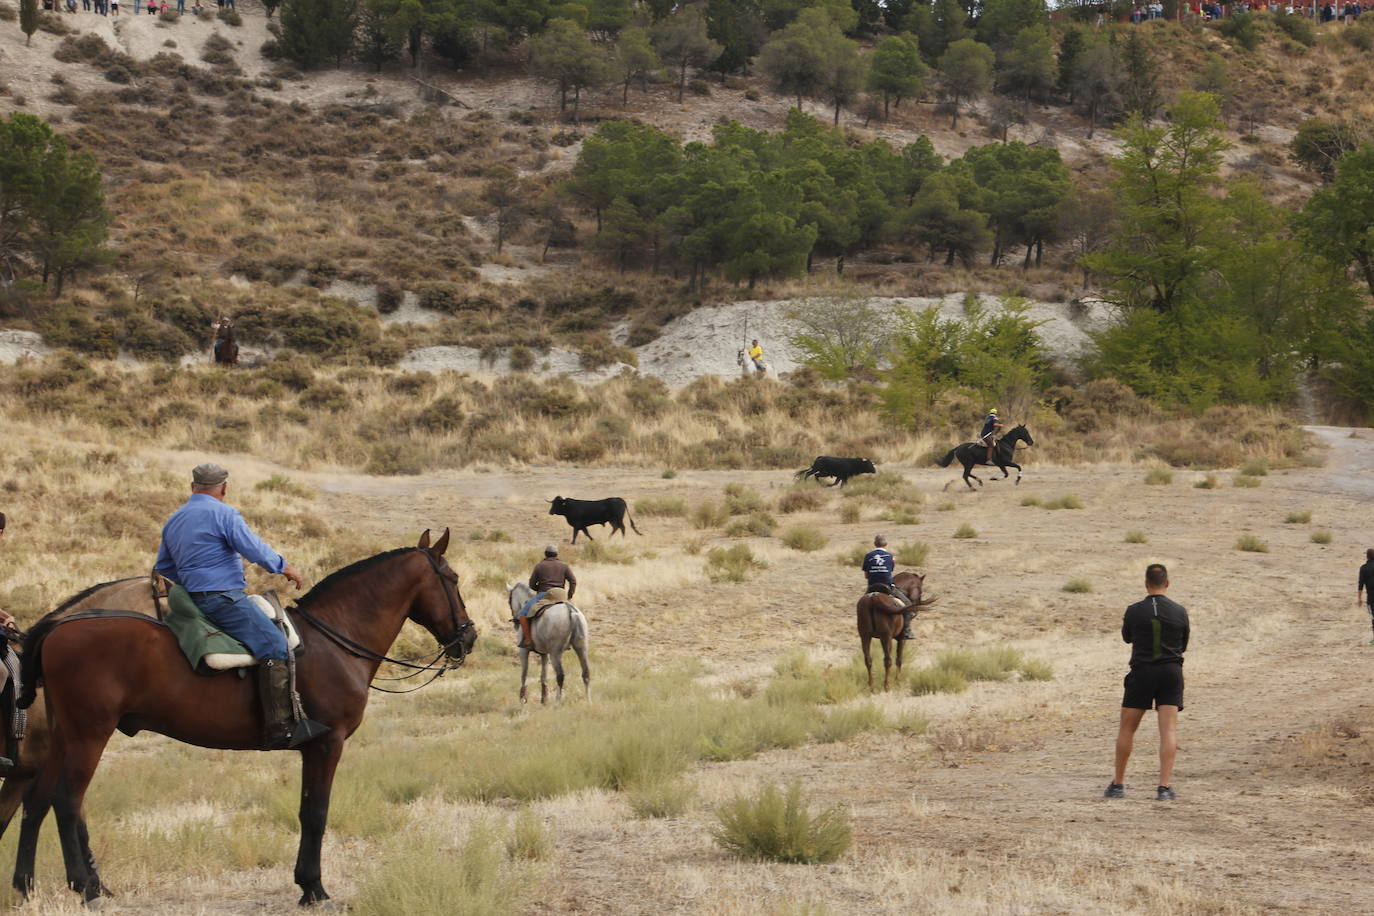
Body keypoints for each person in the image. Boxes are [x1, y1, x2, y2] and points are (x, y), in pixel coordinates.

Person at [153, 463, 325, 750]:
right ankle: (279, 727)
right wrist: (284, 567)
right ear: (224, 488)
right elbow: (253, 548)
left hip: (191, 598)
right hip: (222, 598)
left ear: (192, 486)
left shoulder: (174, 520)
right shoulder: (224, 514)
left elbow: (165, 566)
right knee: (275, 643)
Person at [1105, 563, 1189, 802]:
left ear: (1145, 584)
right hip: (1171, 673)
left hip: (1142, 672)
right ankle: (1164, 787)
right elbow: (1183, 644)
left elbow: (1126, 637)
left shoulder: (1134, 610)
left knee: (1127, 729)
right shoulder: (1179, 611)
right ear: (1168, 583)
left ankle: (1118, 784)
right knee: (1168, 731)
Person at [516, 545, 577, 650]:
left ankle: (528, 640)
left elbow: (531, 584)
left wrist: (539, 589)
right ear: (557, 554)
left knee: (522, 614)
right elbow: (573, 581)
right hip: (561, 595)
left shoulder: (540, 566)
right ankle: (572, 639)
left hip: (544, 594)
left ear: (545, 554)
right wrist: (569, 595)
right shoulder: (564, 566)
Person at [862, 534, 915, 640]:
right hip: (887, 587)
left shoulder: (868, 556)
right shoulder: (891, 557)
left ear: (874, 544)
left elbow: (866, 576)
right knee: (909, 606)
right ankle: (906, 630)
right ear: (886, 544)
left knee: (862, 606)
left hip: (871, 587)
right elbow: (890, 571)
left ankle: (863, 629)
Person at [1356, 549, 1374, 645]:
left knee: (1373, 618)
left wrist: (1359, 599)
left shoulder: (1363, 568)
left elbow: (1360, 584)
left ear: (1367, 556)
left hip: (1371, 598)